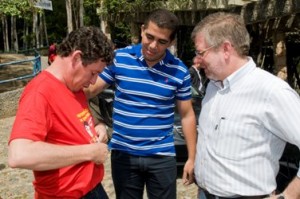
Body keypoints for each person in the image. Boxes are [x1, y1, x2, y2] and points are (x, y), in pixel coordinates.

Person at [85, 8, 197, 199]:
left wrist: (192, 158)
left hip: (162, 156)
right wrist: (96, 121)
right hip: (123, 154)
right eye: (149, 36)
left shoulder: (179, 71)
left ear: (171, 42)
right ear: (142, 30)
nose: (153, 45)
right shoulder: (119, 58)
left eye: (162, 42)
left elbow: (187, 115)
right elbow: (88, 91)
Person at [191, 12, 300, 199]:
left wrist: (289, 196)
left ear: (226, 49)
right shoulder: (213, 87)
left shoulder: (272, 92)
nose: (197, 61)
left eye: (201, 53)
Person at [8, 26, 114, 199]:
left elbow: (76, 121)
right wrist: (89, 152)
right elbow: (19, 155)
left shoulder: (74, 85)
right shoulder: (40, 92)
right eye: (93, 73)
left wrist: (98, 126)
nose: (94, 81)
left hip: (93, 188)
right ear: (77, 58)